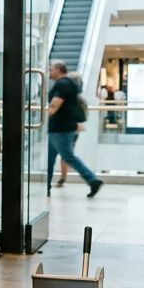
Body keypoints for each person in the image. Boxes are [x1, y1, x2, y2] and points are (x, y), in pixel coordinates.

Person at [45, 61, 103, 198]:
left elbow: (54, 106)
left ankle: (92, 180)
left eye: (51, 69)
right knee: (50, 158)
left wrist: (40, 116)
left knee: (68, 156)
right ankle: (45, 186)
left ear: (59, 70)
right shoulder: (71, 84)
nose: (49, 72)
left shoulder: (62, 84)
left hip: (61, 128)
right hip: (63, 127)